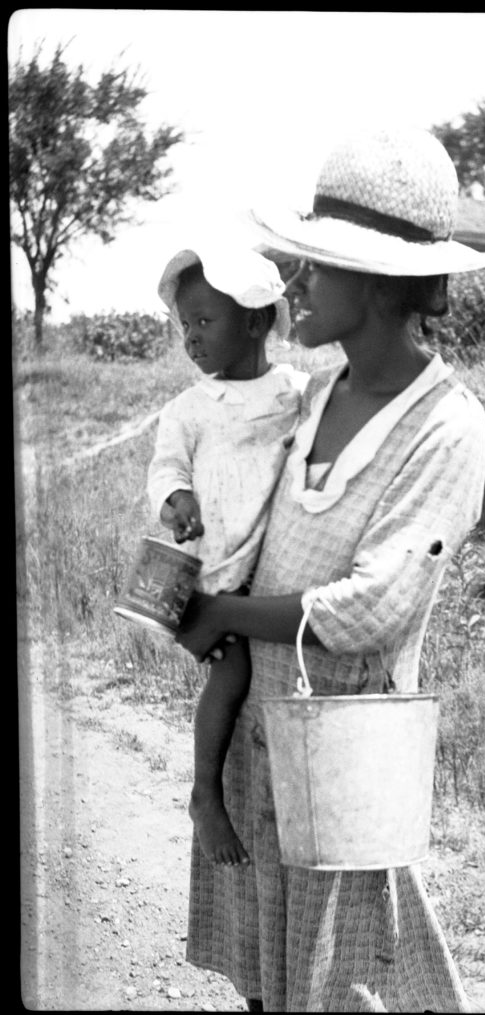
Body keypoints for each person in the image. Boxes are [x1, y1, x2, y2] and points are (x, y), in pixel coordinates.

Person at [175, 126, 485, 1013]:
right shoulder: (311, 395)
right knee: (265, 970)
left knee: (340, 984)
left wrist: (223, 615)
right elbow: (244, 523)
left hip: (341, 760)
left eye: (318, 267)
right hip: (257, 739)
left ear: (377, 284)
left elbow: (371, 610)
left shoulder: (448, 427)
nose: (299, 284)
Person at [147, 245, 307, 867]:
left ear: (258, 320)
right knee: (232, 672)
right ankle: (204, 796)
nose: (191, 336)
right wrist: (176, 497)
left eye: (206, 320)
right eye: (185, 323)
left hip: (274, 566)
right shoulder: (188, 410)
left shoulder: (297, 392)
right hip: (214, 574)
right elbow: (165, 469)